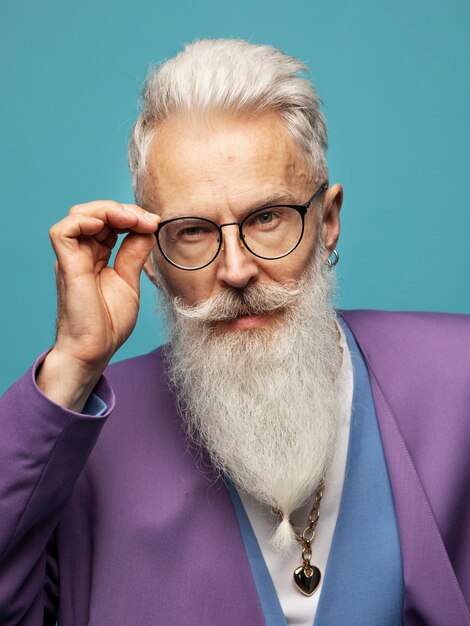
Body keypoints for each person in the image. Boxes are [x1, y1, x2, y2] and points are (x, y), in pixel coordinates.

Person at [0, 39, 469, 626]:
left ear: (328, 222)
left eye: (268, 218)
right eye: (193, 231)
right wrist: (72, 367)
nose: (237, 269)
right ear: (150, 258)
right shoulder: (86, 441)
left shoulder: (461, 382)